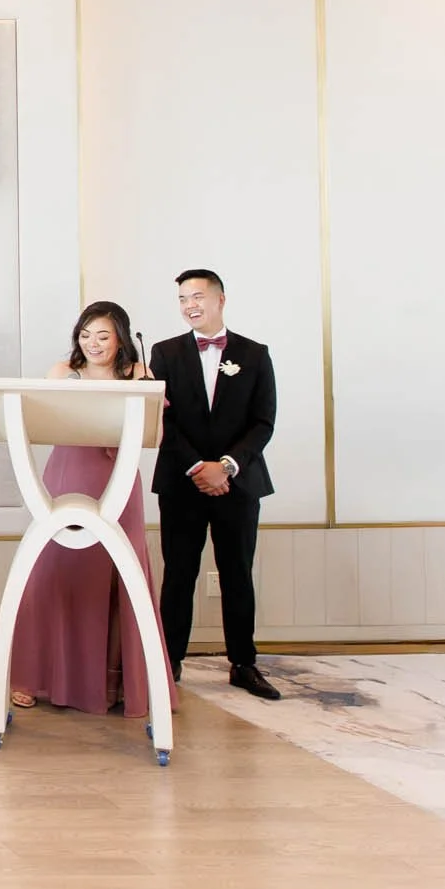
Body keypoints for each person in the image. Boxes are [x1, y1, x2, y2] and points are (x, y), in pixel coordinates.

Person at [7, 302, 174, 720]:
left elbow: (156, 433)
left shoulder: (138, 374)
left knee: (123, 573)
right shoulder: (63, 372)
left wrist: (148, 392)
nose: (93, 344)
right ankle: (36, 678)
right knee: (54, 571)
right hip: (68, 474)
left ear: (121, 338)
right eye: (85, 335)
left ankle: (116, 684)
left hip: (119, 478)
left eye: (102, 335)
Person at [149, 268, 281, 700]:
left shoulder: (254, 354)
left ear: (220, 299)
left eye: (198, 296)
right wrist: (197, 467)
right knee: (178, 574)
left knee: (237, 573)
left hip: (237, 484)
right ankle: (169, 662)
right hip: (181, 482)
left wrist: (225, 466)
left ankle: (244, 663)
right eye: (183, 298)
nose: (190, 305)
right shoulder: (164, 353)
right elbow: (161, 418)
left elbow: (263, 421)